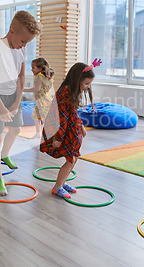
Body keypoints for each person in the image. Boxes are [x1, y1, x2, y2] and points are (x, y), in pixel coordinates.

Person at [0, 10, 42, 196]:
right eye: (23, 41)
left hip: (12, 95)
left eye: (27, 43)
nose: (24, 45)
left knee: (16, 130)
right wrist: (1, 107)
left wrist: (17, 102)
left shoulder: (21, 49)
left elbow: (21, 76)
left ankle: (5, 155)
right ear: (11, 32)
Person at [40, 60, 100, 199]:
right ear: (77, 79)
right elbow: (60, 118)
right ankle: (57, 187)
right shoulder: (65, 92)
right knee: (71, 159)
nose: (87, 87)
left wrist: (81, 126)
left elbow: (73, 112)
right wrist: (57, 138)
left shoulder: (71, 91)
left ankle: (62, 182)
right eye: (86, 84)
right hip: (62, 131)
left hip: (70, 130)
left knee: (74, 157)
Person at [23, 58, 55, 139]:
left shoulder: (40, 77)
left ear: (40, 68)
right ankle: (38, 133)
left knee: (47, 117)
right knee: (36, 116)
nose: (31, 69)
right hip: (44, 99)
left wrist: (24, 90)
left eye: (33, 67)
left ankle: (51, 133)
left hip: (43, 101)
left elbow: (37, 89)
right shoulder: (47, 77)